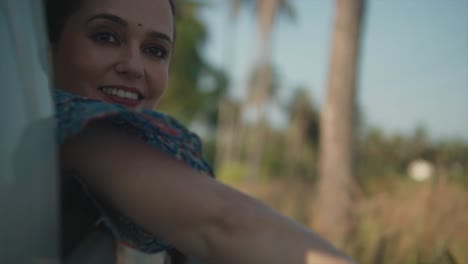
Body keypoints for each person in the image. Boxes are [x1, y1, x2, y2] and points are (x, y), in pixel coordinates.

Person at [46, 0, 356, 263]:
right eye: (107, 37)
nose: (134, 66)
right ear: (49, 43)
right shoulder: (76, 127)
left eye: (155, 50)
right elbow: (224, 223)